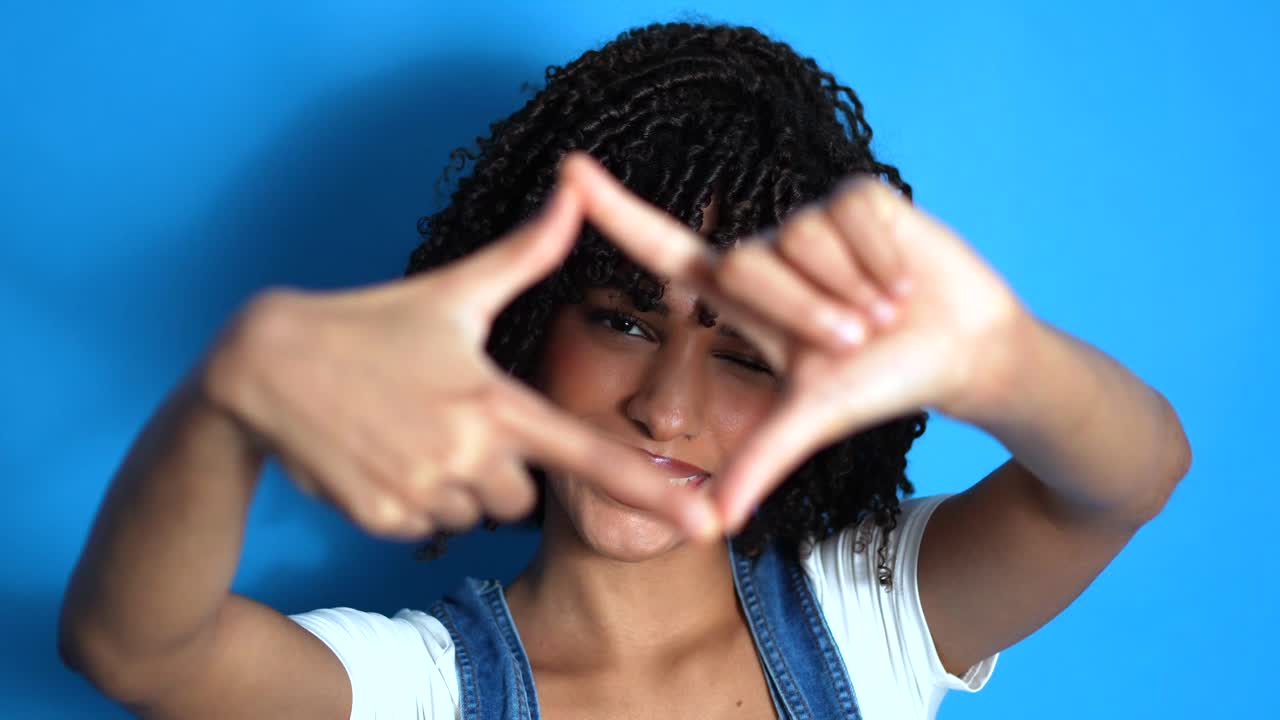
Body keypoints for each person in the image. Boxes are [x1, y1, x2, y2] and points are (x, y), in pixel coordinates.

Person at [57, 21, 1192, 720]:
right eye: (625, 322)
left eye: (741, 354)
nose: (666, 407)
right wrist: (222, 409)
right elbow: (133, 654)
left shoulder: (870, 618)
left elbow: (1130, 477)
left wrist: (1002, 363)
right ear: (528, 324)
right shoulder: (424, 689)